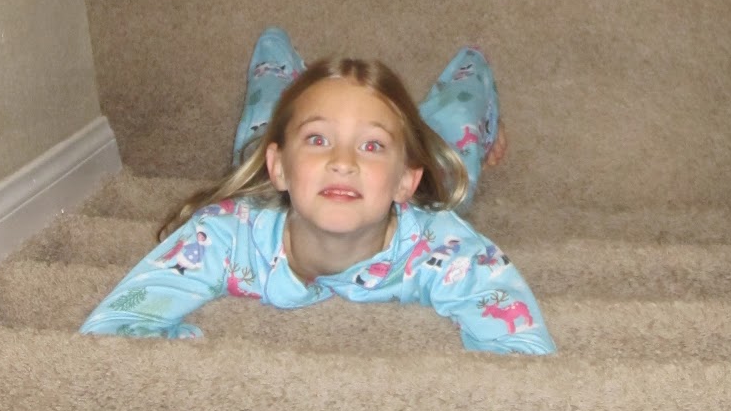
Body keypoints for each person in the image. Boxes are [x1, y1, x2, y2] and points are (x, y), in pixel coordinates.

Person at [79, 29, 555, 355]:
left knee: (454, 148)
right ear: (280, 170)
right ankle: (277, 58)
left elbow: (525, 348)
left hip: (432, 176)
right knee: (262, 129)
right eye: (319, 140)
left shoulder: (444, 247)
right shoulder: (224, 236)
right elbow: (110, 328)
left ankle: (472, 68)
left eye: (371, 145)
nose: (343, 162)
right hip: (270, 161)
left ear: (403, 182)